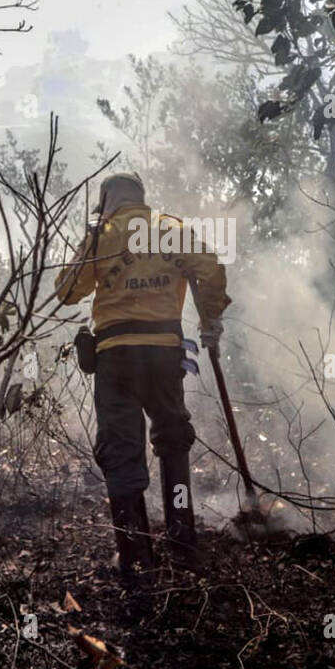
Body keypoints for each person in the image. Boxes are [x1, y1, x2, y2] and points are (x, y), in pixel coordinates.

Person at [54, 172, 230, 579]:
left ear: (107, 201)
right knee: (172, 439)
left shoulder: (103, 235)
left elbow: (65, 292)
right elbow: (212, 270)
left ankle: (135, 556)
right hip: (165, 353)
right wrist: (212, 318)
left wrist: (90, 243)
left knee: (122, 449)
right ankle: (183, 544)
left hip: (116, 356)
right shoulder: (171, 229)